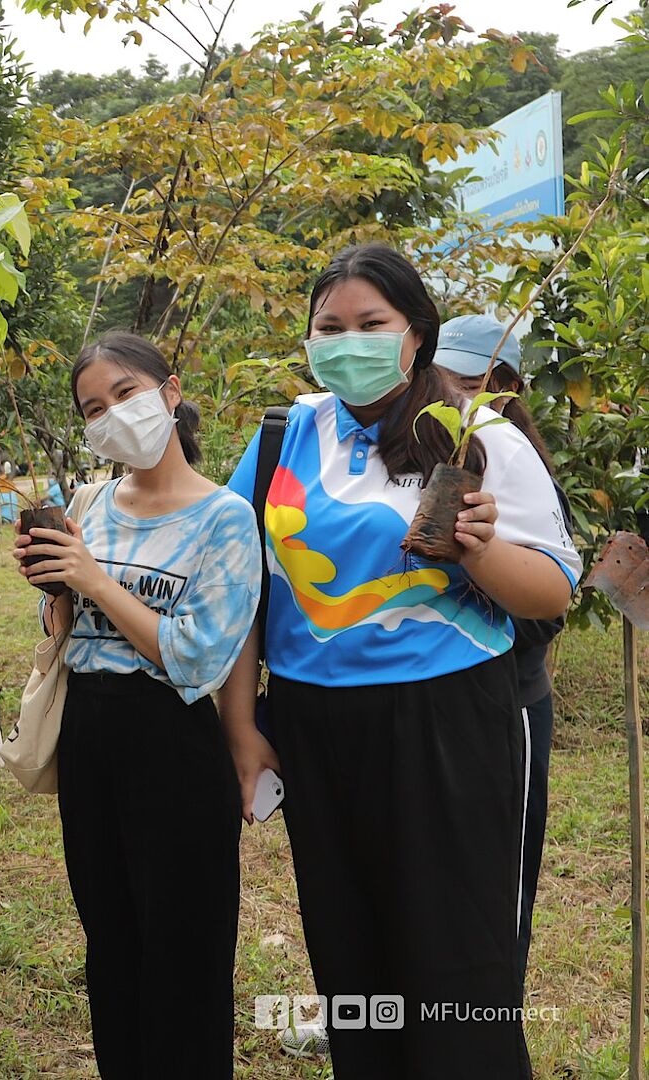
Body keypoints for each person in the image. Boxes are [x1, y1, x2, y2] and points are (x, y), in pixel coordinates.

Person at [218, 245, 579, 1079]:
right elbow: (240, 585)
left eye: (370, 325)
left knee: (459, 964)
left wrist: (478, 552)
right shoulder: (286, 434)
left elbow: (551, 590)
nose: (349, 342)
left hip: (447, 722)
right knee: (352, 956)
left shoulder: (477, 434)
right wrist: (242, 727)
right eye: (329, 327)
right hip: (314, 725)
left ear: (415, 335)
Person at [13, 333, 258, 1077]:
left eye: (125, 394)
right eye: (95, 408)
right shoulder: (90, 502)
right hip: (90, 733)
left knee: (184, 947)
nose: (114, 415)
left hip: (172, 742)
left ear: (170, 391)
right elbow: (66, 629)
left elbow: (194, 656)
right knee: (111, 939)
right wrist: (56, 589)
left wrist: (93, 581)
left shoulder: (225, 518)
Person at [433, 312, 571, 986]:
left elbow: (548, 609)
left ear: (507, 387)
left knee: (493, 889)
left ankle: (490, 1021)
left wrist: (477, 565)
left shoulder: (521, 472)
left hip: (504, 702)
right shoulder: (414, 456)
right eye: (442, 378)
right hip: (419, 705)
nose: (456, 396)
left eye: (472, 382)